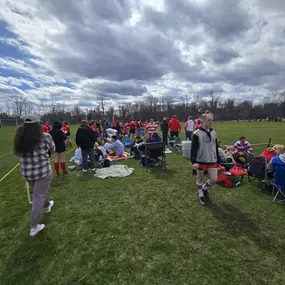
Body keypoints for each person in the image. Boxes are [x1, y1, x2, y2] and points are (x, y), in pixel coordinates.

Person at [13, 115, 55, 237]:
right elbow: (52, 150)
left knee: (39, 192)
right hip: (42, 172)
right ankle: (34, 227)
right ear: (38, 125)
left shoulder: (19, 138)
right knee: (38, 196)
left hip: (27, 172)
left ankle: (47, 205)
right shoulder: (45, 137)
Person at [191, 111, 218, 205]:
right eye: (208, 120)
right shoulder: (196, 133)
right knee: (200, 178)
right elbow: (193, 149)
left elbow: (215, 146)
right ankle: (200, 194)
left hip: (212, 159)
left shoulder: (214, 132)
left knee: (214, 179)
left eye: (211, 120)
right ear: (202, 120)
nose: (210, 122)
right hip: (200, 160)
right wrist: (193, 161)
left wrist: (217, 158)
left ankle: (204, 188)